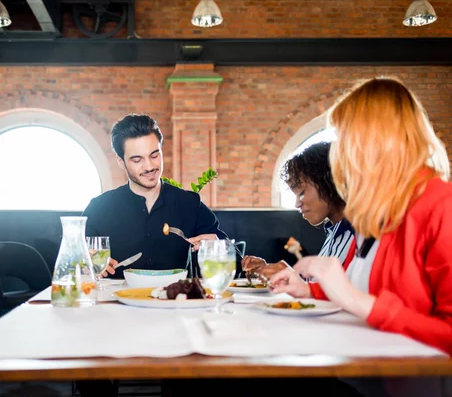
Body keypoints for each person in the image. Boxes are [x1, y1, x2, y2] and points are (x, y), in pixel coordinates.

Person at [270, 78, 452, 364]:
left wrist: (358, 302)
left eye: (347, 140)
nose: (340, 154)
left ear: (380, 140)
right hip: (359, 370)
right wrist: (310, 290)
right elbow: (363, 288)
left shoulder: (441, 206)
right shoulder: (377, 212)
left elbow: (365, 303)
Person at [82, 113, 228, 279]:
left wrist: (218, 249)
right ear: (121, 162)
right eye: (137, 160)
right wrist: (83, 262)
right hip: (113, 302)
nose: (150, 166)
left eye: (154, 155)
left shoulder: (189, 204)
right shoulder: (99, 208)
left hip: (175, 300)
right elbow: (74, 260)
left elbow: (232, 258)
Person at [242, 142, 356, 297]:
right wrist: (273, 271)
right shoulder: (333, 234)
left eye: (301, 192)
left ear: (330, 181)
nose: (297, 203)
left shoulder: (358, 236)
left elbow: (350, 297)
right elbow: (316, 287)